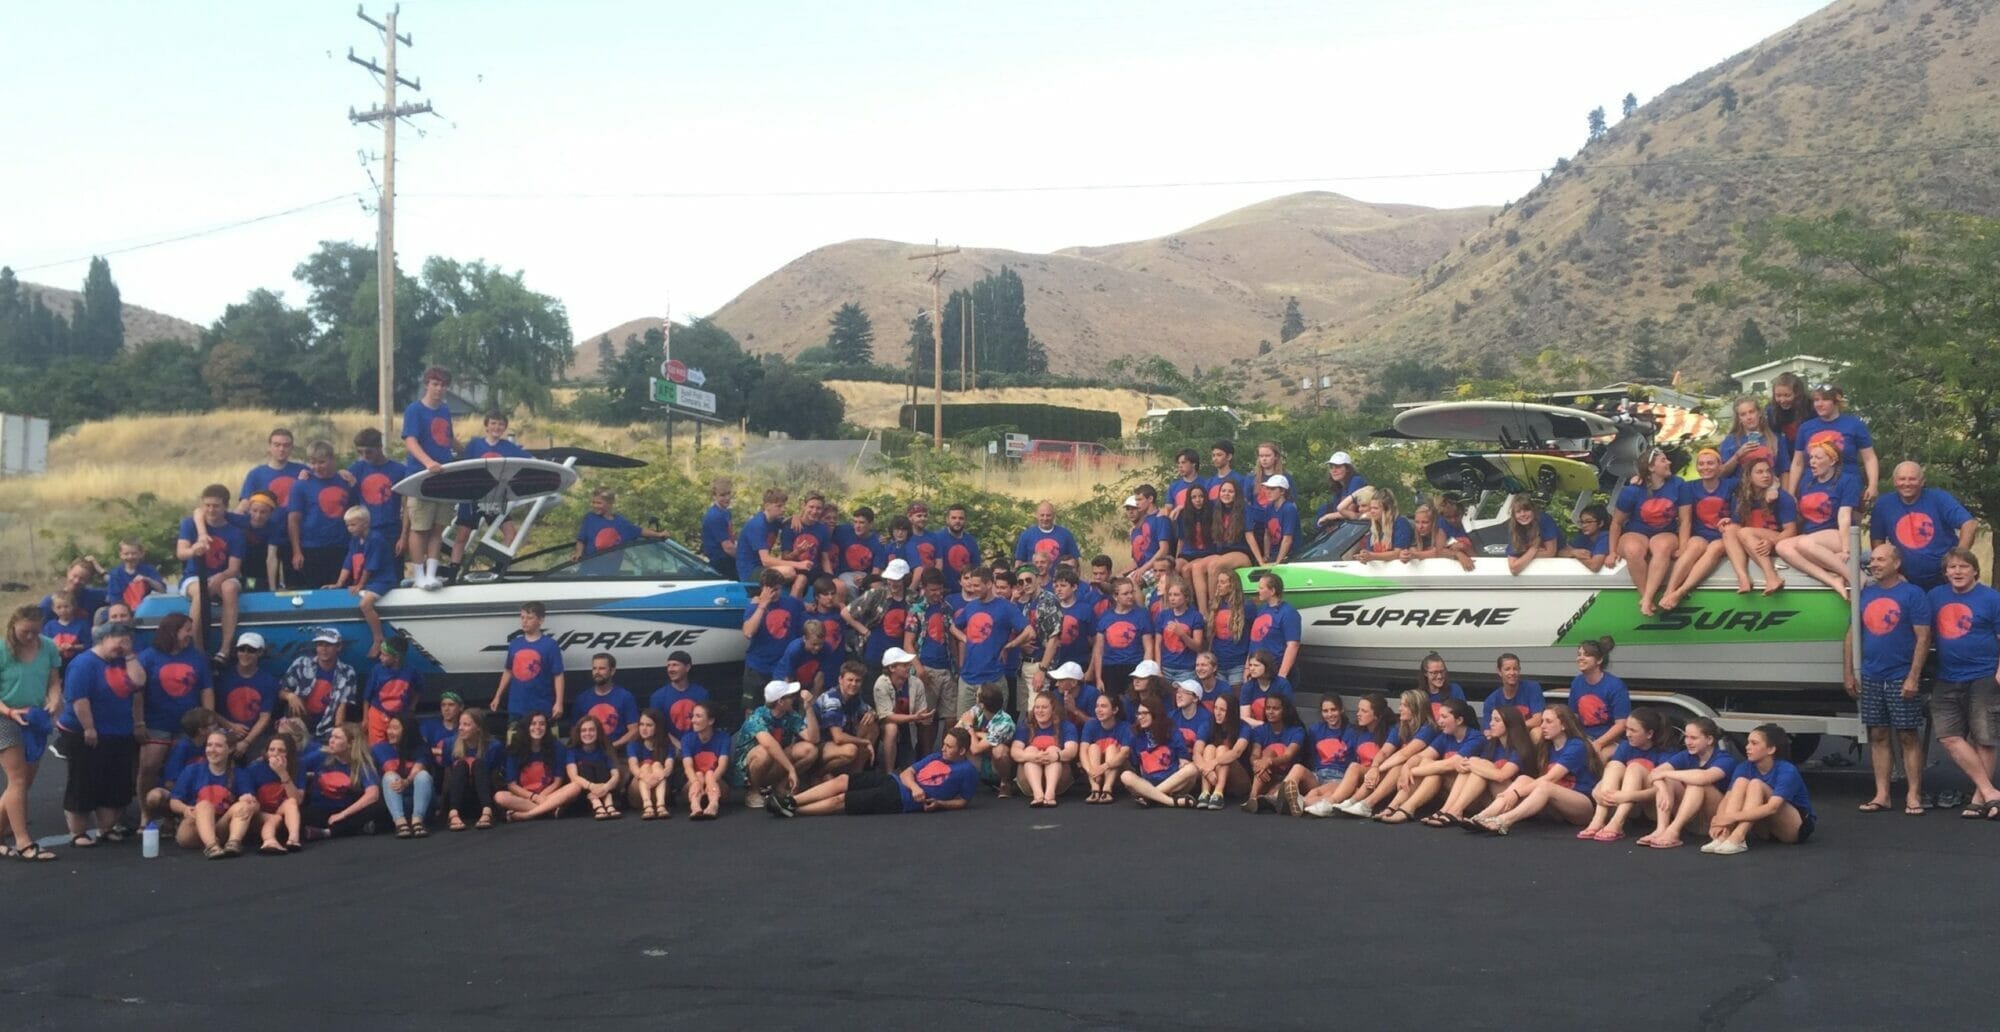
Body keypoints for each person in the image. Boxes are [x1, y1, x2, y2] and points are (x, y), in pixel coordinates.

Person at [1844, 543, 1931, 815]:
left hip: (1900, 676)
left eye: (1881, 559)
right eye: (1872, 560)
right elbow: (1851, 635)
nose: (1875, 564)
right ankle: (1882, 795)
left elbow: (1923, 637)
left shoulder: (1913, 594)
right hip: (1871, 675)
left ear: (1896, 563)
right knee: (1878, 734)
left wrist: (1913, 677)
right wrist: (1848, 672)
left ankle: (1913, 795)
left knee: (1908, 735)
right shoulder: (1865, 595)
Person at [57, 622, 145, 848]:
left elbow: (138, 683)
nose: (122, 646)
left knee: (114, 781)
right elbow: (79, 699)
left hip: (118, 731)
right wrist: (89, 727)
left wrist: (130, 656)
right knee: (83, 780)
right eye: (119, 641)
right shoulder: (83, 664)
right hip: (86, 731)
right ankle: (77, 831)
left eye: (127, 641)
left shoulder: (123, 660)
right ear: (104, 639)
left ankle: (106, 827)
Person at [1927, 548, 2000, 818]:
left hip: (1984, 675)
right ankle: (1991, 792)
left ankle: (1979, 798)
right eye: (1952, 567)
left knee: (1985, 738)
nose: (1957, 572)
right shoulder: (1935, 597)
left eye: (1963, 567)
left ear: (1975, 570)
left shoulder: (1992, 599)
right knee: (1948, 736)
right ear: (1945, 573)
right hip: (1948, 676)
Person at [769, 727, 979, 817]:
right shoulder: (936, 756)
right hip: (894, 781)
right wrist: (915, 786)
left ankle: (794, 811)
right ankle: (793, 800)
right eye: (944, 744)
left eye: (949, 747)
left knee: (842, 800)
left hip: (899, 799)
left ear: (961, 750)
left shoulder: (967, 771)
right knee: (843, 779)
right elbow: (907, 773)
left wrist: (940, 804)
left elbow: (963, 801)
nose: (943, 748)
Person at [1470, 704, 1604, 834]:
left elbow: (1552, 778)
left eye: (1549, 722)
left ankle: (1503, 821)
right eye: (1542, 721)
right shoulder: (1546, 747)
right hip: (1555, 807)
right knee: (1523, 779)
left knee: (1546, 785)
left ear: (1564, 725)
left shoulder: (1576, 745)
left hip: (1582, 806)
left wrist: (1516, 793)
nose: (1543, 726)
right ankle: (1481, 817)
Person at [0, 605, 62, 860]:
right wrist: (8, 712)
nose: (31, 637)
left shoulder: (47, 646)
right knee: (17, 780)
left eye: (36, 632)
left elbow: (54, 680)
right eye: (26, 632)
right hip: (6, 717)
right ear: (14, 625)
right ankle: (24, 841)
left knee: (24, 782)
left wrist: (55, 700)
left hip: (34, 716)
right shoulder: (3, 649)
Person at [136, 614, 211, 807]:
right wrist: (139, 721)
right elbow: (138, 693)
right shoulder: (148, 656)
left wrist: (207, 721)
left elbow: (206, 689)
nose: (190, 634)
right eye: (187, 629)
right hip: (156, 722)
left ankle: (173, 815)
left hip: (187, 724)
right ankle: (147, 813)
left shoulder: (197, 656)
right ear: (172, 632)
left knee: (183, 768)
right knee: (149, 767)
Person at [1370, 698, 1485, 824]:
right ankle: (1394, 806)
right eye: (1439, 716)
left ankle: (1407, 808)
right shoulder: (1445, 736)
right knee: (1427, 764)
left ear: (1459, 720)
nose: (1439, 721)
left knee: (1432, 769)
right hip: (1447, 792)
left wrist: (1412, 771)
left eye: (1444, 717)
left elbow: (1450, 764)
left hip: (1471, 798)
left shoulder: (1476, 738)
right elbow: (1421, 756)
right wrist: (1406, 767)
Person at [1705, 723, 1815, 854]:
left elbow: (1772, 807)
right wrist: (1720, 820)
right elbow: (1728, 797)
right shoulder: (1744, 767)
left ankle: (1738, 837)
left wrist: (1732, 817)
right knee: (1741, 782)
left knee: (1756, 784)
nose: (1747, 747)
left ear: (1771, 749)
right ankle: (1724, 835)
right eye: (1748, 743)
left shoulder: (1787, 770)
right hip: (1764, 830)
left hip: (1793, 828)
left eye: (1754, 743)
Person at [1578, 707, 1681, 842]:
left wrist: (1629, 795)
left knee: (1635, 767)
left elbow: (1665, 788)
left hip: (1654, 807)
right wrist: (1598, 790)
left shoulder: (1666, 752)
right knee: (1614, 765)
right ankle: (1598, 820)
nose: (1627, 734)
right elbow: (1610, 774)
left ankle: (1617, 822)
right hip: (1628, 806)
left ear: (1649, 734)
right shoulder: (1626, 746)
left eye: (1633, 730)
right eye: (1626, 729)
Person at [1870, 462, 1977, 590]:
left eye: (1912, 479)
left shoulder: (1939, 498)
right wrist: (1892, 571)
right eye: (1902, 479)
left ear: (1922, 481)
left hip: (1944, 579)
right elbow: (1877, 541)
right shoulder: (1883, 505)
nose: (1907, 483)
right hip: (1905, 580)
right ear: (1894, 482)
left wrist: (1957, 560)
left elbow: (1969, 524)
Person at [1776, 440, 1861, 598]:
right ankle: (1831, 581)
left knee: (1803, 543)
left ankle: (1855, 578)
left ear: (1832, 460)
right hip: (1811, 537)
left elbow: (1844, 516)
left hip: (1838, 534)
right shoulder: (1807, 482)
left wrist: (1845, 549)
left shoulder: (1847, 480)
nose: (1812, 462)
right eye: (1811, 457)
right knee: (1782, 546)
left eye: (1818, 458)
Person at [1426, 705, 1536, 827]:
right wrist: (1472, 764)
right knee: (1476, 763)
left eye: (1497, 720)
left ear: (1510, 724)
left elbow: (1501, 776)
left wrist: (1471, 764)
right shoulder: (1493, 745)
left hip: (1513, 800)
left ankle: (1455, 810)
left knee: (1478, 764)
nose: (1491, 723)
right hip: (1491, 798)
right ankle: (1447, 809)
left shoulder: (1520, 748)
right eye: (1491, 719)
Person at [1334, 689, 1437, 819]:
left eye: (1404, 705)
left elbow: (1404, 754)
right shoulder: (1400, 726)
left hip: (1419, 774)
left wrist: (1376, 769)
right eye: (1400, 704)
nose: (1399, 708)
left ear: (1416, 708)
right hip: (1401, 773)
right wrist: (1375, 766)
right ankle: (1351, 801)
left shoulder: (1428, 728)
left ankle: (1367, 804)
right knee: (1357, 766)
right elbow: (1384, 751)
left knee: (1397, 766)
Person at [1639, 717, 1737, 849]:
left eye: (1693, 738)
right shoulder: (1686, 755)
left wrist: (1665, 773)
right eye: (1686, 737)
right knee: (1666, 780)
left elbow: (1703, 777)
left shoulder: (1725, 759)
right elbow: (1654, 773)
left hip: (1713, 821)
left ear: (1709, 740)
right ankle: (1661, 829)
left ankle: (1673, 831)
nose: (1688, 742)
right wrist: (1662, 788)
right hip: (1692, 820)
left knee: (1696, 784)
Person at [401, 367, 458, 589]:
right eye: (435, 384)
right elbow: (411, 441)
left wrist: (468, 452)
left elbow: (448, 439)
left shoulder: (444, 410)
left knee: (437, 527)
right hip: (421, 476)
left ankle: (432, 574)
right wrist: (427, 462)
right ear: (427, 384)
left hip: (443, 477)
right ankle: (418, 575)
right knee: (420, 527)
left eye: (443, 385)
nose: (439, 389)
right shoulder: (414, 410)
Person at [175, 483, 247, 659]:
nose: (211, 510)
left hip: (223, 576)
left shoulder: (235, 533)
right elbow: (181, 553)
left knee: (229, 588)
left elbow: (234, 568)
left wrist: (219, 577)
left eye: (216, 506)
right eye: (207, 505)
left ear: (225, 507)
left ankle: (225, 648)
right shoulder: (190, 525)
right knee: (201, 591)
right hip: (194, 576)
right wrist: (194, 550)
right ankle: (197, 648)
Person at [1612, 447, 1686, 616]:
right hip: (1636, 532)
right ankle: (1645, 596)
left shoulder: (1678, 484)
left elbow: (1685, 520)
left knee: (1661, 547)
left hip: (1665, 532)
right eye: (1663, 460)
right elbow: (1616, 523)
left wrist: (1683, 545)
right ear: (1651, 468)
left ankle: (1647, 598)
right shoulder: (1632, 490)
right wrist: (1611, 551)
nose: (1669, 463)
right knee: (1633, 550)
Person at [1659, 448, 1734, 610]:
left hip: (1723, 536)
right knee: (1694, 546)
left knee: (1715, 548)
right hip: (1700, 534)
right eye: (1701, 464)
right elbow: (1663, 484)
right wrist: (1639, 478)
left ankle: (1681, 591)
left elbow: (1759, 481)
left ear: (1720, 466)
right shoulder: (1689, 487)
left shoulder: (1731, 484)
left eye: (1710, 463)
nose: (1705, 467)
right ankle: (1670, 590)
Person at [732, 680, 822, 810]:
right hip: (749, 768)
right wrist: (791, 769)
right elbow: (769, 745)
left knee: (810, 750)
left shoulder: (791, 716)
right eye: (791, 696)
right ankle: (753, 791)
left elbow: (814, 738)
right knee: (764, 753)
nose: (794, 698)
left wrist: (808, 708)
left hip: (775, 763)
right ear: (780, 702)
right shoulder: (757, 717)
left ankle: (780, 785)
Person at [167, 730, 257, 858]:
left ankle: (233, 843)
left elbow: (254, 804)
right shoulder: (192, 770)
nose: (212, 749)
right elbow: (174, 801)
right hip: (194, 828)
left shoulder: (240, 773)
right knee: (204, 805)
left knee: (244, 805)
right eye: (209, 745)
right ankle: (211, 846)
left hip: (222, 827)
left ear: (230, 749)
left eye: (218, 746)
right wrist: (185, 809)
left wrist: (248, 800)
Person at [1786, 383, 1879, 507]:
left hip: (1847, 487)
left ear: (1836, 402)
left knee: (1848, 522)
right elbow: (1798, 462)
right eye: (1816, 400)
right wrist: (1791, 493)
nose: (1819, 404)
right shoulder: (1805, 428)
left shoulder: (1854, 425)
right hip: (1812, 487)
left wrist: (1873, 485)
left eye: (1825, 399)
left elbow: (1869, 458)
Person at [1718, 456, 1798, 595]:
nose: (1766, 475)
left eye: (1768, 471)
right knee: (1729, 529)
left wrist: (1772, 542)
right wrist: (1728, 521)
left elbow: (1791, 530)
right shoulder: (1741, 497)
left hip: (1777, 540)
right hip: (1752, 543)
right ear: (1749, 476)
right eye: (1759, 472)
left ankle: (1772, 577)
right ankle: (1743, 578)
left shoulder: (1782, 497)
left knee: (1745, 532)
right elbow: (1737, 527)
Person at [286, 440, 358, 592]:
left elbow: (355, 513)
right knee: (313, 593)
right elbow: (293, 520)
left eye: (321, 462)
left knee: (341, 591)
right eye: (312, 462)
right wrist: (297, 551)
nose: (317, 467)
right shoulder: (301, 485)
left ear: (332, 459)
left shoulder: (345, 481)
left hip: (341, 546)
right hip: (312, 548)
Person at [326, 507, 396, 659]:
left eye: (353, 525)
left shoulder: (376, 539)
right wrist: (339, 583)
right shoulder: (355, 540)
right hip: (369, 581)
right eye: (348, 525)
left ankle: (378, 638)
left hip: (382, 580)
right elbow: (348, 562)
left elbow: (370, 567)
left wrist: (360, 585)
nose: (350, 529)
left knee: (365, 604)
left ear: (365, 523)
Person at [742, 568, 806, 728]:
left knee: (782, 708)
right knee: (752, 709)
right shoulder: (753, 607)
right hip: (758, 667)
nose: (775, 593)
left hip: (782, 668)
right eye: (771, 589)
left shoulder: (791, 603)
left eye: (778, 589)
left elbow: (808, 609)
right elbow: (748, 632)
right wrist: (763, 605)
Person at [303, 722, 384, 838]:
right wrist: (318, 753)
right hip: (320, 808)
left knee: (379, 808)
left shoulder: (361, 764)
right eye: (331, 736)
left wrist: (343, 814)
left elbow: (373, 794)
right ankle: (358, 828)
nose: (331, 740)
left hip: (347, 810)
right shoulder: (322, 755)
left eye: (337, 738)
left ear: (350, 744)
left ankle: (328, 833)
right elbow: (297, 766)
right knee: (298, 815)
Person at [492, 601, 566, 727]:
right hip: (517, 707)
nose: (524, 621)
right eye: (522, 617)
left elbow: (558, 675)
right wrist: (497, 696)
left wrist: (559, 702)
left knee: (546, 744)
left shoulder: (550, 645)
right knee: (515, 743)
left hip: (542, 706)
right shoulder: (515, 644)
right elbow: (508, 671)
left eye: (530, 618)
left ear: (541, 620)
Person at [493, 711, 578, 822]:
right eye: (533, 724)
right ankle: (550, 810)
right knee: (500, 796)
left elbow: (558, 781)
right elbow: (512, 785)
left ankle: (529, 814)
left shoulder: (557, 747)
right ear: (526, 727)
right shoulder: (515, 748)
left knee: (575, 787)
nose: (538, 727)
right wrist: (534, 797)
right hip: (524, 797)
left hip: (549, 795)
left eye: (542, 724)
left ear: (547, 727)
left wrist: (541, 797)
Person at [1120, 695, 1200, 807]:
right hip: (1147, 783)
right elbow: (1137, 765)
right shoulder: (1135, 735)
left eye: (1145, 713)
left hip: (1173, 782)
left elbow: (1183, 760)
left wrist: (1184, 763)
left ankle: (1150, 797)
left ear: (1155, 713)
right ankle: (1171, 802)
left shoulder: (1170, 730)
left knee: (1192, 769)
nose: (1140, 717)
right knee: (1125, 776)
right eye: (1138, 713)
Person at [281, 627, 359, 739]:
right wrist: (290, 696)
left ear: (339, 647)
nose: (324, 649)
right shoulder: (302, 663)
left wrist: (337, 734)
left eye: (329, 645)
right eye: (320, 644)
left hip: (326, 729)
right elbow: (281, 690)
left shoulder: (347, 672)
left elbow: (342, 706)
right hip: (298, 725)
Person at [1283, 696, 1354, 817]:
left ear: (1341, 710)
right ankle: (1282, 796)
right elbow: (1309, 754)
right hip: (1317, 774)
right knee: (1297, 768)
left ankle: (1296, 802)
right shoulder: (1315, 730)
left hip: (1339, 777)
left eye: (1333, 710)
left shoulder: (1352, 731)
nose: (1330, 714)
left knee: (1320, 794)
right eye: (1325, 711)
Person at [346, 427, 408, 566]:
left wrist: (404, 536)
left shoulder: (399, 470)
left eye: (368, 451)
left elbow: (407, 506)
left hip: (391, 530)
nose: (364, 456)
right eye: (360, 452)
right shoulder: (357, 469)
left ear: (380, 447)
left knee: (393, 573)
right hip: (365, 531)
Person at [1194, 477, 1254, 616]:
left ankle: (1214, 607)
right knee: (1196, 567)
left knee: (1214, 566)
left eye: (1230, 491)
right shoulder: (1217, 509)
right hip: (1224, 554)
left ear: (1237, 494)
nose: (1226, 494)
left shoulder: (1245, 509)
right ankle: (1204, 613)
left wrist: (1261, 560)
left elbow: (1250, 536)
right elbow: (1197, 504)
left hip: (1242, 553)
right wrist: (1179, 508)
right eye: (1223, 491)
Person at [572, 487, 667, 574]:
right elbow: (581, 539)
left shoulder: (620, 522)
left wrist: (658, 535)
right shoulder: (590, 518)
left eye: (599, 503)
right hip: (588, 571)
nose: (595, 506)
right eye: (593, 502)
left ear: (610, 503)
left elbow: (639, 531)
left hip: (610, 574)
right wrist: (578, 552)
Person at [215, 632, 278, 759]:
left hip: (255, 737)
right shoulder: (222, 677)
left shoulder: (268, 680)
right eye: (241, 649)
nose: (245, 654)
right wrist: (230, 726)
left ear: (260, 653)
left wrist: (246, 742)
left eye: (251, 650)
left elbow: (265, 717)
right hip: (225, 732)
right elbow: (210, 710)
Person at [1011, 690, 1078, 807]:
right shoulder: (1025, 725)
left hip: (1059, 781)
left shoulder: (1066, 725)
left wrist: (1055, 756)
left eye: (1044, 707)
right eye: (1037, 707)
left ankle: (1050, 794)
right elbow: (1015, 751)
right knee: (1030, 750)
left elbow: (1072, 751)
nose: (1039, 711)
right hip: (1028, 782)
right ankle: (1038, 795)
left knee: (1053, 749)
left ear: (1053, 709)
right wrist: (1033, 757)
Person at [870, 647, 932, 773]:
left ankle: (925, 760)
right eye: (904, 665)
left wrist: (923, 716)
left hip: (908, 726)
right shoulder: (881, 684)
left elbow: (922, 709)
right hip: (886, 724)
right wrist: (914, 717)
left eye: (908, 664)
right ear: (892, 668)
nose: (909, 667)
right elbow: (887, 716)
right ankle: (889, 773)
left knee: (908, 765)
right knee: (891, 728)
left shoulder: (916, 683)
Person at [441, 707, 503, 831]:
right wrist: (443, 807)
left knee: (479, 763)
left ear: (478, 728)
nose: (460, 728)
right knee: (461, 765)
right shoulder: (449, 744)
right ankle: (453, 814)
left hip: (482, 798)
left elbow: (495, 777)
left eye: (466, 725)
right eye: (460, 724)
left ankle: (487, 811)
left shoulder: (494, 746)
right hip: (460, 798)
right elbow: (447, 776)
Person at [372, 713, 433, 838]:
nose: (390, 732)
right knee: (389, 776)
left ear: (407, 730)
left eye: (395, 728)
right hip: (393, 802)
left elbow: (418, 768)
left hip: (419, 800)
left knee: (423, 775)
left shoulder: (421, 748)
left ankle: (417, 821)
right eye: (389, 727)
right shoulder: (379, 749)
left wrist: (406, 782)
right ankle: (400, 822)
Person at [813, 661, 879, 776]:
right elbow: (838, 737)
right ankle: (818, 775)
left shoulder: (854, 697)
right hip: (819, 745)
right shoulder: (832, 699)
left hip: (835, 743)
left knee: (871, 726)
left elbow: (869, 710)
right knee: (850, 750)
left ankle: (855, 775)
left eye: (857, 681)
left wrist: (872, 713)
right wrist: (865, 742)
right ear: (840, 680)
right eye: (850, 680)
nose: (854, 684)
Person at [241, 735, 304, 854]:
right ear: (266, 752)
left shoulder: (298, 766)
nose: (275, 754)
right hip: (260, 813)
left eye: (281, 750)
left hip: (282, 810)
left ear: (289, 753)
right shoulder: (253, 769)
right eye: (272, 750)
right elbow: (251, 801)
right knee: (274, 818)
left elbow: (297, 800)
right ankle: (269, 841)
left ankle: (293, 840)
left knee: (291, 802)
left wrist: (282, 773)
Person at [1241, 695, 1305, 813]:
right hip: (1266, 774)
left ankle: (1261, 798)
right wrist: (1257, 764)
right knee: (1267, 754)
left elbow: (1287, 756)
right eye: (1268, 708)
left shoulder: (1297, 731)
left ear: (1284, 710)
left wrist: (1268, 761)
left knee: (1270, 754)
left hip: (1288, 775)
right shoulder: (1259, 730)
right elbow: (1255, 754)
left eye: (1275, 708)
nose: (1270, 712)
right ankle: (1253, 797)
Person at [1568, 637, 1630, 758]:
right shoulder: (1576, 682)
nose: (1580, 658)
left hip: (1611, 740)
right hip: (1585, 738)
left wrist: (1599, 743)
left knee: (1597, 759)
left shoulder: (1615, 685)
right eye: (1579, 654)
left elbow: (1621, 724)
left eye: (1586, 655)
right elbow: (1573, 717)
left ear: (1599, 660)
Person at [1094, 577, 1155, 693]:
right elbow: (1098, 650)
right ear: (1115, 596)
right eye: (1125, 593)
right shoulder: (1105, 617)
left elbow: (1148, 648)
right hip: (1110, 667)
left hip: (1134, 665)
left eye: (1132, 592)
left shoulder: (1142, 615)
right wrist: (1098, 678)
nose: (1130, 596)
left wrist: (1145, 673)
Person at [1191, 694, 1250, 810]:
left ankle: (1218, 793)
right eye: (1216, 708)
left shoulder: (1244, 727)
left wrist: (1213, 763)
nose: (1217, 713)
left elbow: (1236, 752)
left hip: (1239, 782)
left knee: (1222, 750)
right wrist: (1206, 770)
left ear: (1232, 712)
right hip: (1212, 776)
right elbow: (1196, 753)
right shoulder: (1208, 724)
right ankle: (1205, 793)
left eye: (1222, 710)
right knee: (1209, 748)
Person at [956, 682, 1016, 795]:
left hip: (997, 766)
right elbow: (956, 732)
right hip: (981, 761)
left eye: (977, 696)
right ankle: (955, 778)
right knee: (957, 741)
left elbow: (976, 749)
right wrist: (978, 734)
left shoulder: (1005, 723)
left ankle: (1005, 783)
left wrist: (970, 728)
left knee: (999, 750)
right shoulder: (977, 710)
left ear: (982, 704)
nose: (975, 698)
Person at [571, 652, 640, 748]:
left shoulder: (625, 697)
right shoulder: (582, 699)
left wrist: (612, 746)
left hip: (619, 753)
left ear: (612, 671)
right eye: (594, 668)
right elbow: (574, 731)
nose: (597, 672)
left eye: (602, 668)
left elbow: (635, 731)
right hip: (590, 753)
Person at [566, 715, 625, 820]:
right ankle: (597, 803)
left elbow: (616, 775)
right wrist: (592, 787)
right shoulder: (572, 750)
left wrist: (604, 788)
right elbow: (573, 776)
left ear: (598, 732)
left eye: (591, 730)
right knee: (584, 767)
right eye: (583, 730)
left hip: (607, 789)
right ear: (578, 733)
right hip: (585, 794)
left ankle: (608, 803)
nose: (587, 733)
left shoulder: (605, 748)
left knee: (600, 765)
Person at [1077, 692, 1132, 804]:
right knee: (1093, 747)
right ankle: (1095, 788)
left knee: (1112, 748)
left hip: (1117, 771)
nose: (1099, 709)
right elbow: (1083, 750)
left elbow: (1125, 753)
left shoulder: (1125, 727)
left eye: (1104, 706)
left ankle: (1107, 789)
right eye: (1097, 706)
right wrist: (1091, 771)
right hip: (1096, 775)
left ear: (1115, 710)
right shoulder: (1091, 724)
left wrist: (1103, 767)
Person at [679, 701, 731, 820]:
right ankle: (695, 805)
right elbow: (688, 766)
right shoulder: (687, 739)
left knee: (709, 773)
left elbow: (722, 765)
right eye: (693, 716)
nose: (693, 720)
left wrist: (711, 780)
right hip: (694, 785)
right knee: (698, 774)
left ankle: (713, 804)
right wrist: (696, 782)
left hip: (717, 785)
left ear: (711, 721)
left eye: (698, 716)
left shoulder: (723, 737)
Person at [240, 427, 307, 517]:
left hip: (296, 526)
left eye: (286, 445)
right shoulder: (256, 474)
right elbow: (245, 504)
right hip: (267, 527)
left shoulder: (303, 471)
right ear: (269, 447)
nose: (281, 449)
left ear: (292, 447)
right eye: (277, 445)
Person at [624, 708, 676, 820]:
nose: (644, 728)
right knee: (646, 766)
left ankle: (661, 806)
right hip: (639, 789)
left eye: (649, 725)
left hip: (660, 789)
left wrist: (658, 776)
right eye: (641, 724)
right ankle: (647, 806)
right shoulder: (633, 744)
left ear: (657, 727)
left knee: (657, 765)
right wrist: (646, 777)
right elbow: (633, 767)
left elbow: (669, 767)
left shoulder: (667, 745)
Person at [1247, 572, 1301, 680]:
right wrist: (1247, 668)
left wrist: (1282, 675)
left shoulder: (1288, 612)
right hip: (1256, 670)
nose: (1258, 591)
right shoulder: (1262, 609)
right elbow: (1254, 640)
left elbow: (1293, 645)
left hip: (1274, 671)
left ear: (1272, 591)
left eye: (1261, 588)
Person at [647, 649, 711, 738]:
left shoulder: (701, 693)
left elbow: (706, 724)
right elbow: (657, 728)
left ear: (687, 667)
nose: (670, 669)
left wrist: (689, 746)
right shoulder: (658, 697)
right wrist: (676, 744)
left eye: (675, 665)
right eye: (668, 666)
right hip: (668, 748)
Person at [1718, 395, 1784, 480]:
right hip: (1740, 490)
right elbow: (1721, 474)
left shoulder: (1776, 439)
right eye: (1743, 414)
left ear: (1759, 413)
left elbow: (1784, 471)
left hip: (1770, 489)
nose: (1749, 417)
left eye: (1751, 412)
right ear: (1739, 419)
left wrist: (1785, 493)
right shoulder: (1730, 441)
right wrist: (1738, 455)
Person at [1154, 577, 1205, 681]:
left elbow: (1198, 647)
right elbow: (1158, 644)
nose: (1172, 598)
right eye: (1170, 595)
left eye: (1176, 595)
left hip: (1186, 669)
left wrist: (1182, 634)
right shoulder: (1163, 615)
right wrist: (1158, 668)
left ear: (1186, 597)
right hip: (1166, 667)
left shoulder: (1195, 616)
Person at [1206, 569, 1251, 686]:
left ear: (1232, 586)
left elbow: (1253, 637)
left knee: (1236, 699)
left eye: (1222, 582)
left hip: (1238, 663)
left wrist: (1248, 664)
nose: (1218, 586)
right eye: (1218, 582)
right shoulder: (1216, 604)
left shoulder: (1246, 606)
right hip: (1218, 662)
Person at [830, 505, 886, 594]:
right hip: (844, 573)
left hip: (866, 575)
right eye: (855, 522)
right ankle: (855, 607)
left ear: (870, 524)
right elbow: (825, 525)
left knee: (877, 587)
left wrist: (866, 580)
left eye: (861, 523)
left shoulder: (878, 541)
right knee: (850, 586)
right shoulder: (844, 530)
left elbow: (876, 571)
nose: (857, 526)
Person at [1123, 487, 1174, 583]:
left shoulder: (1160, 518)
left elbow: (1164, 550)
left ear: (1150, 499)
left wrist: (1143, 569)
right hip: (1145, 565)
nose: (1137, 503)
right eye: (1136, 500)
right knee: (1119, 585)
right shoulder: (1144, 520)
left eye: (1139, 499)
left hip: (1158, 565)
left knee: (1131, 584)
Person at [1501, 495, 1561, 575]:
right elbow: (1514, 569)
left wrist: (1522, 555)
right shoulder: (1515, 528)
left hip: (1559, 561)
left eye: (1526, 510)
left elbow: (1550, 552)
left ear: (1534, 511)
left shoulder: (1544, 520)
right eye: (1518, 512)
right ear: (1514, 516)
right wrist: (1534, 548)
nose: (1523, 514)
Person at [1404, 503, 1474, 571]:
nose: (1420, 526)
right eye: (1417, 522)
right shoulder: (1414, 535)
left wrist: (1414, 555)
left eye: (1425, 522)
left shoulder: (1444, 535)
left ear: (1434, 523)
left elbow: (1437, 552)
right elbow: (1412, 551)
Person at [104, 538, 166, 615]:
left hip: (146, 609)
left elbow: (162, 590)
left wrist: (147, 579)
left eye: (134, 553)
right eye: (126, 554)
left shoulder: (149, 570)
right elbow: (114, 600)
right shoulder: (115, 574)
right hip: (123, 611)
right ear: (120, 554)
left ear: (141, 553)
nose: (130, 557)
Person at [1236, 649, 1293, 729]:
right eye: (1250, 665)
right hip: (1256, 728)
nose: (1252, 669)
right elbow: (1244, 718)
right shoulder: (1247, 687)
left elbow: (1288, 713)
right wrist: (1265, 726)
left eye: (1256, 665)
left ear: (1267, 666)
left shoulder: (1282, 684)